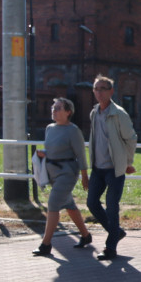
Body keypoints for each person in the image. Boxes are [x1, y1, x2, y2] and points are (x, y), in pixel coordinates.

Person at [31, 98, 92, 256]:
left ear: (68, 112)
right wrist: (43, 154)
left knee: (53, 204)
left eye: (58, 108)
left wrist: (85, 176)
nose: (54, 110)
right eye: (53, 108)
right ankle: (86, 236)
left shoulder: (73, 130)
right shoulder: (50, 128)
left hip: (67, 173)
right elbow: (52, 148)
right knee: (69, 205)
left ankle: (46, 244)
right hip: (53, 173)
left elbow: (81, 155)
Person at [86, 75, 137, 260]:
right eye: (96, 89)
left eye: (103, 88)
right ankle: (116, 232)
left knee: (112, 207)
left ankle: (111, 247)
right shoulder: (94, 113)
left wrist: (128, 162)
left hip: (114, 168)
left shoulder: (119, 114)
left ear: (111, 91)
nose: (99, 92)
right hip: (97, 168)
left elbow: (131, 138)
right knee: (91, 203)